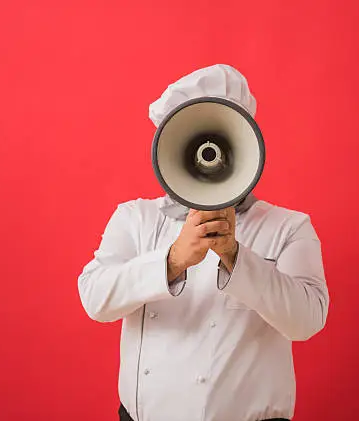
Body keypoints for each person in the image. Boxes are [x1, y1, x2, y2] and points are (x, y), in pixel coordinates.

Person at [77, 64, 329, 421]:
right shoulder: (135, 218)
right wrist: (171, 262)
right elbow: (94, 299)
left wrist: (235, 256)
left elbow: (307, 321)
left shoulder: (288, 227)